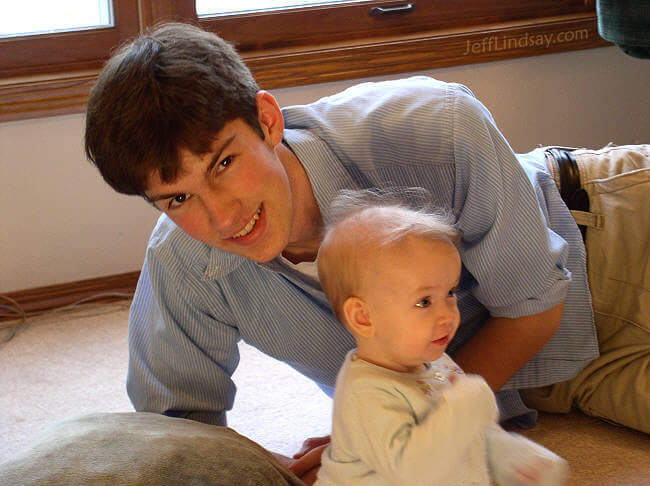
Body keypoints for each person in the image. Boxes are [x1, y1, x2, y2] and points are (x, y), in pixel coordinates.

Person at [84, 22, 598, 482]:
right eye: (178, 197)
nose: (221, 217)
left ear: (267, 120)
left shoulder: (438, 127)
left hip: (599, 249)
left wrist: (397, 432)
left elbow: (533, 306)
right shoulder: (184, 264)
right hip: (513, 406)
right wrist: (360, 444)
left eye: (223, 164)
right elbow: (174, 433)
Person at [314, 188, 567, 486]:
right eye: (424, 301)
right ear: (363, 317)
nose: (448, 314)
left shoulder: (435, 363)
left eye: (450, 293)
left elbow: (469, 434)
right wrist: (464, 405)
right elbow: (415, 472)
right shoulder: (365, 395)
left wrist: (514, 458)